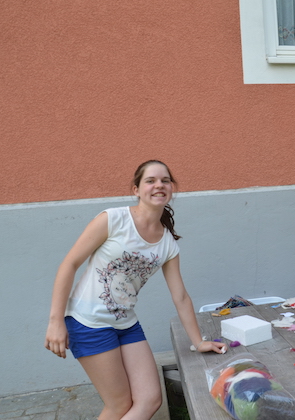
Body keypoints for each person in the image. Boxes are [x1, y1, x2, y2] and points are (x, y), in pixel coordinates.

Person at [44, 160, 226, 420]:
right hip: (88, 322)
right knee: (119, 405)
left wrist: (199, 342)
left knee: (150, 400)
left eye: (165, 180)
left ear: (171, 188)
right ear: (136, 189)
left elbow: (181, 297)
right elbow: (69, 264)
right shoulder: (113, 219)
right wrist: (55, 321)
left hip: (126, 324)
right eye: (150, 180)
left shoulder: (168, 244)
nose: (159, 185)